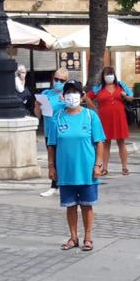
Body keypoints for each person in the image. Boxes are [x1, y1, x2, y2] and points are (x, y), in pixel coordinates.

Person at [48, 81, 106, 252]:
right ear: (63, 96)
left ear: (82, 96)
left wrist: (98, 165)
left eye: (75, 92)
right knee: (70, 205)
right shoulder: (57, 118)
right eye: (68, 93)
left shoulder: (90, 116)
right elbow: (52, 145)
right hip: (66, 171)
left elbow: (99, 142)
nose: (71, 96)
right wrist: (51, 166)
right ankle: (73, 237)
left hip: (86, 170)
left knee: (87, 204)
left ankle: (88, 237)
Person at [87, 65, 133, 175]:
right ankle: (105, 167)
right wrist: (94, 108)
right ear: (103, 76)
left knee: (121, 142)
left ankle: (124, 167)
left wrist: (125, 96)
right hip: (104, 118)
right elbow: (87, 97)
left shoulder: (121, 85)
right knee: (105, 142)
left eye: (111, 74)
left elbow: (131, 97)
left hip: (119, 117)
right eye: (107, 74)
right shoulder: (99, 87)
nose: (109, 76)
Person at [36, 68, 69, 197]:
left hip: (63, 130)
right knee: (52, 159)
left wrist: (65, 101)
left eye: (62, 80)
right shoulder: (46, 93)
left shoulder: (67, 94)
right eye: (56, 79)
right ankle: (54, 185)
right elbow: (38, 115)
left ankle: (63, 184)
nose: (58, 82)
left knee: (62, 158)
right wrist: (37, 106)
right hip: (49, 131)